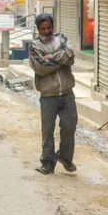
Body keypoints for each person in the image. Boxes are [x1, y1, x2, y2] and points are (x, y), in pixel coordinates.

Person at [29, 13, 78, 175]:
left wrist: (51, 57)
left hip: (67, 92)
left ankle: (65, 157)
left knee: (69, 126)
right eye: (43, 29)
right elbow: (41, 67)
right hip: (48, 94)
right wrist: (60, 59)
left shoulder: (61, 39)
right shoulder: (34, 45)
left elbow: (70, 56)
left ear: (53, 26)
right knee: (48, 129)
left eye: (49, 27)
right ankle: (48, 162)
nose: (47, 31)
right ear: (38, 30)